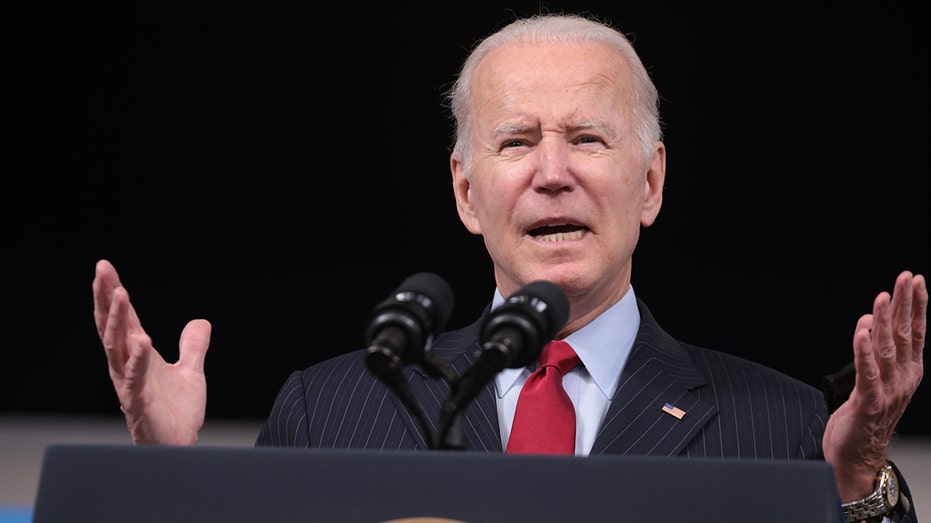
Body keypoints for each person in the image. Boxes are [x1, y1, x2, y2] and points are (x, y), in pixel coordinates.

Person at [93, 12, 926, 522]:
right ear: (465, 191)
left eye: (588, 138)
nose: (551, 170)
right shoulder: (331, 406)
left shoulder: (780, 429)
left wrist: (855, 482)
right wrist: (166, 480)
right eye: (516, 141)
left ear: (650, 182)